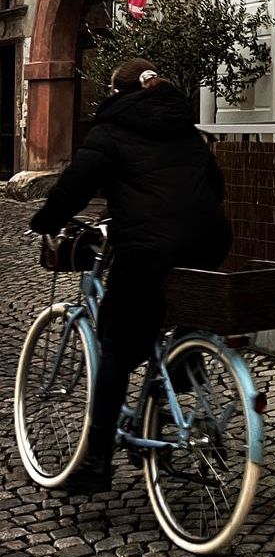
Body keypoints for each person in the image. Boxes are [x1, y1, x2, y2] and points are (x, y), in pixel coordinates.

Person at [29, 58, 231, 494]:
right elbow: (215, 187)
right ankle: (180, 367)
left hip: (149, 248)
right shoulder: (186, 128)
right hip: (210, 241)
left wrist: (46, 221)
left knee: (117, 349)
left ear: (117, 93)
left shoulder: (111, 129)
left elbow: (75, 185)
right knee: (177, 309)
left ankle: (97, 462)